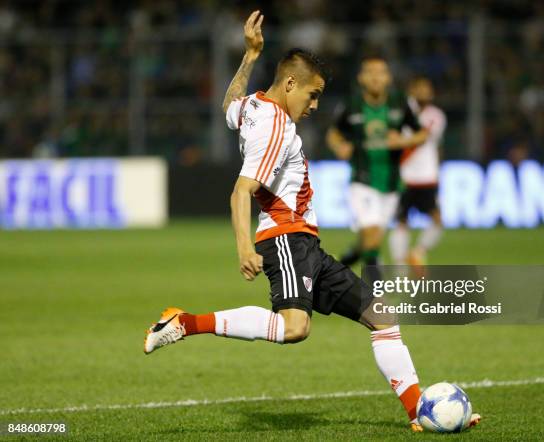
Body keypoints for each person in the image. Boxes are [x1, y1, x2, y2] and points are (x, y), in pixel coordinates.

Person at [143, 11, 479, 433]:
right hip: (285, 239)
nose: (315, 105)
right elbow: (240, 190)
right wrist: (244, 247)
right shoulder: (276, 128)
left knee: (382, 316)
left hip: (306, 244)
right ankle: (186, 323)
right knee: (294, 328)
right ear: (289, 85)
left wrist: (249, 56)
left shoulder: (253, 108)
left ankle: (417, 412)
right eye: (313, 94)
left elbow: (229, 105)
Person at [326, 56, 429, 274]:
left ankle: (342, 263)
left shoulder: (400, 102)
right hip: (362, 180)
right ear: (361, 78)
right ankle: (375, 296)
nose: (375, 77)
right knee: (373, 235)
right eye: (370, 72)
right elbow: (333, 134)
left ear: (388, 78)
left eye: (380, 72)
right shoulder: (352, 105)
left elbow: (422, 134)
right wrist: (340, 147)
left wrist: (403, 141)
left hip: (391, 184)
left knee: (369, 241)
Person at [389, 77, 446, 270]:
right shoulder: (398, 113)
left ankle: (418, 252)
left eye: (428, 88)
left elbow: (423, 140)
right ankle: (400, 266)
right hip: (403, 176)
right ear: (411, 90)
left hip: (426, 176)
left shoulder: (436, 115)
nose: (425, 92)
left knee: (437, 220)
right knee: (401, 222)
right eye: (421, 87)